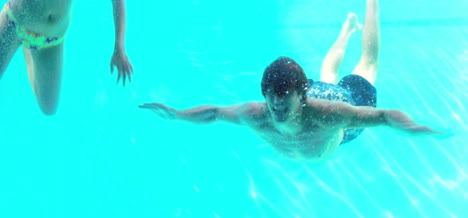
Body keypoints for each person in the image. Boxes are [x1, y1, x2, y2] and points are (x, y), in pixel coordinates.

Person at [139, 0, 444, 161]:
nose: (276, 108)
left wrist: (411, 126)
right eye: (271, 100)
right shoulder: (259, 113)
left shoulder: (331, 114)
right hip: (316, 95)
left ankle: (371, 4)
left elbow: (383, 116)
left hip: (341, 116)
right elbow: (215, 113)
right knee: (328, 75)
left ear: (302, 93)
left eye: (283, 101)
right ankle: (346, 29)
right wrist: (176, 116)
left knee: (367, 63)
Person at [0, 0, 133, 115]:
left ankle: (28, 48)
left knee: (48, 106)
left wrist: (119, 47)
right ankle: (25, 42)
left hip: (51, 39)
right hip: (15, 23)